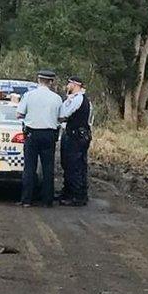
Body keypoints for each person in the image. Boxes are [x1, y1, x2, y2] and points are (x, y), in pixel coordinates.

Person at [16, 70, 63, 207]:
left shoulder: (29, 96)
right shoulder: (57, 98)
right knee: (48, 168)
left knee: (29, 167)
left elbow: (19, 114)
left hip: (32, 134)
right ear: (51, 82)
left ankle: (26, 200)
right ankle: (47, 201)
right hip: (49, 135)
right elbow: (61, 117)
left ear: (38, 80)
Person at [58, 76, 92, 206]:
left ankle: (76, 196)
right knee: (72, 165)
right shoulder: (80, 99)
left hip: (75, 137)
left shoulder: (78, 99)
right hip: (78, 135)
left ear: (75, 85)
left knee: (74, 166)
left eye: (69, 84)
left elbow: (63, 115)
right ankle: (70, 192)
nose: (67, 86)